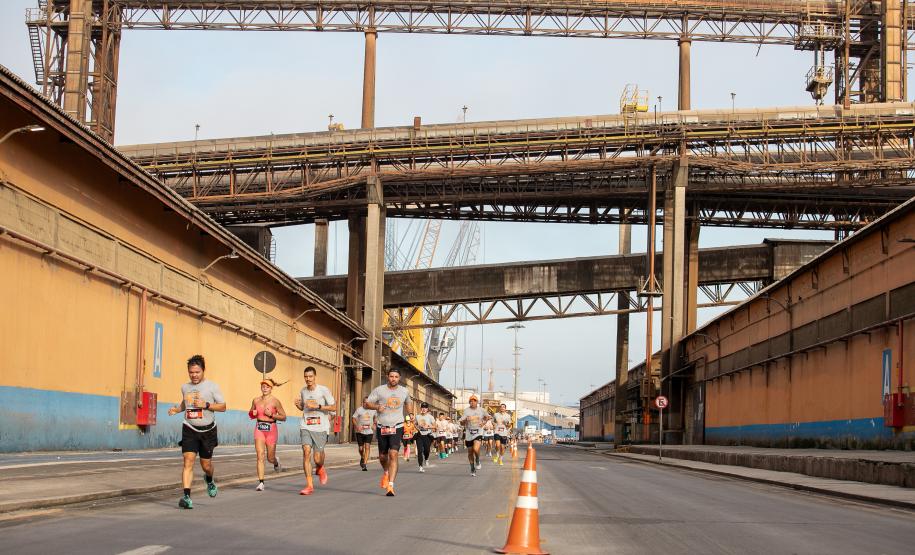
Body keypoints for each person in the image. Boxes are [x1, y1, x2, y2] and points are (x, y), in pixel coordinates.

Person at [168, 354, 226, 509]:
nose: (194, 375)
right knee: (188, 460)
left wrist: (206, 405)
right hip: (189, 428)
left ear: (203, 371)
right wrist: (177, 410)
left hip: (208, 431)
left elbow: (223, 406)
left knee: (206, 465)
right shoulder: (185, 387)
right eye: (191, 372)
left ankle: (209, 479)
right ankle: (186, 497)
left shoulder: (212, 387)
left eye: (197, 372)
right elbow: (185, 402)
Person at [364, 368, 413, 497]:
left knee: (393, 453)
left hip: (397, 425)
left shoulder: (404, 391)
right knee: (382, 456)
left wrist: (411, 413)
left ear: (399, 378)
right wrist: (377, 407)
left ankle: (391, 485)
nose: (393, 379)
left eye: (396, 377)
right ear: (387, 376)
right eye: (391, 376)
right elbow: (367, 404)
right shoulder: (379, 390)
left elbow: (408, 403)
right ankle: (386, 472)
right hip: (382, 426)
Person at [293, 366, 336, 495]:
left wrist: (318, 406)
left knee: (317, 459)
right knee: (306, 452)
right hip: (306, 426)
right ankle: (309, 485)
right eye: (306, 377)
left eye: (310, 376)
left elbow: (334, 407)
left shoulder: (323, 390)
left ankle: (320, 467)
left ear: (315, 377)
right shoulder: (303, 391)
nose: (308, 379)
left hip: (321, 428)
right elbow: (304, 407)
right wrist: (299, 405)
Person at [249, 378, 287, 491]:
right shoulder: (256, 400)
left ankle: (275, 461)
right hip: (259, 428)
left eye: (267, 387)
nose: (265, 388)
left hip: (271, 430)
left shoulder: (275, 401)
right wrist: (253, 413)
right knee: (260, 455)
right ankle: (261, 482)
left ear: (271, 388)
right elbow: (251, 414)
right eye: (263, 386)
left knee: (270, 458)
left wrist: (271, 415)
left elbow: (284, 417)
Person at [459, 395, 490, 477]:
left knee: (476, 449)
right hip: (469, 433)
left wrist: (483, 423)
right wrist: (465, 420)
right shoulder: (466, 411)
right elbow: (461, 423)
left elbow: (488, 417)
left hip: (478, 432)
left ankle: (478, 460)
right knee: (470, 452)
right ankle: (472, 468)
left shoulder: (482, 410)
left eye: (474, 401)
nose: (473, 402)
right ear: (469, 402)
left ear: (477, 402)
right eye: (471, 401)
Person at [351, 397, 376, 471]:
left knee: (367, 447)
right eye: (365, 402)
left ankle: (364, 464)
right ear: (363, 403)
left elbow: (376, 417)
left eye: (368, 402)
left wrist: (374, 424)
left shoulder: (373, 410)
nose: (366, 404)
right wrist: (357, 426)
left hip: (369, 431)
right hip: (360, 431)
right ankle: (362, 457)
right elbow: (353, 418)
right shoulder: (359, 410)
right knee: (361, 448)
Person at [414, 402, 435, 472]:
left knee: (427, 450)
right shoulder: (417, 416)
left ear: (427, 409)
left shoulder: (430, 417)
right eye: (422, 407)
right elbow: (415, 424)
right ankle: (420, 466)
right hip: (419, 435)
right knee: (420, 451)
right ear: (421, 408)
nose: (423, 409)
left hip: (427, 436)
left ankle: (426, 459)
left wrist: (428, 427)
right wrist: (417, 428)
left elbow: (435, 426)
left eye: (425, 408)